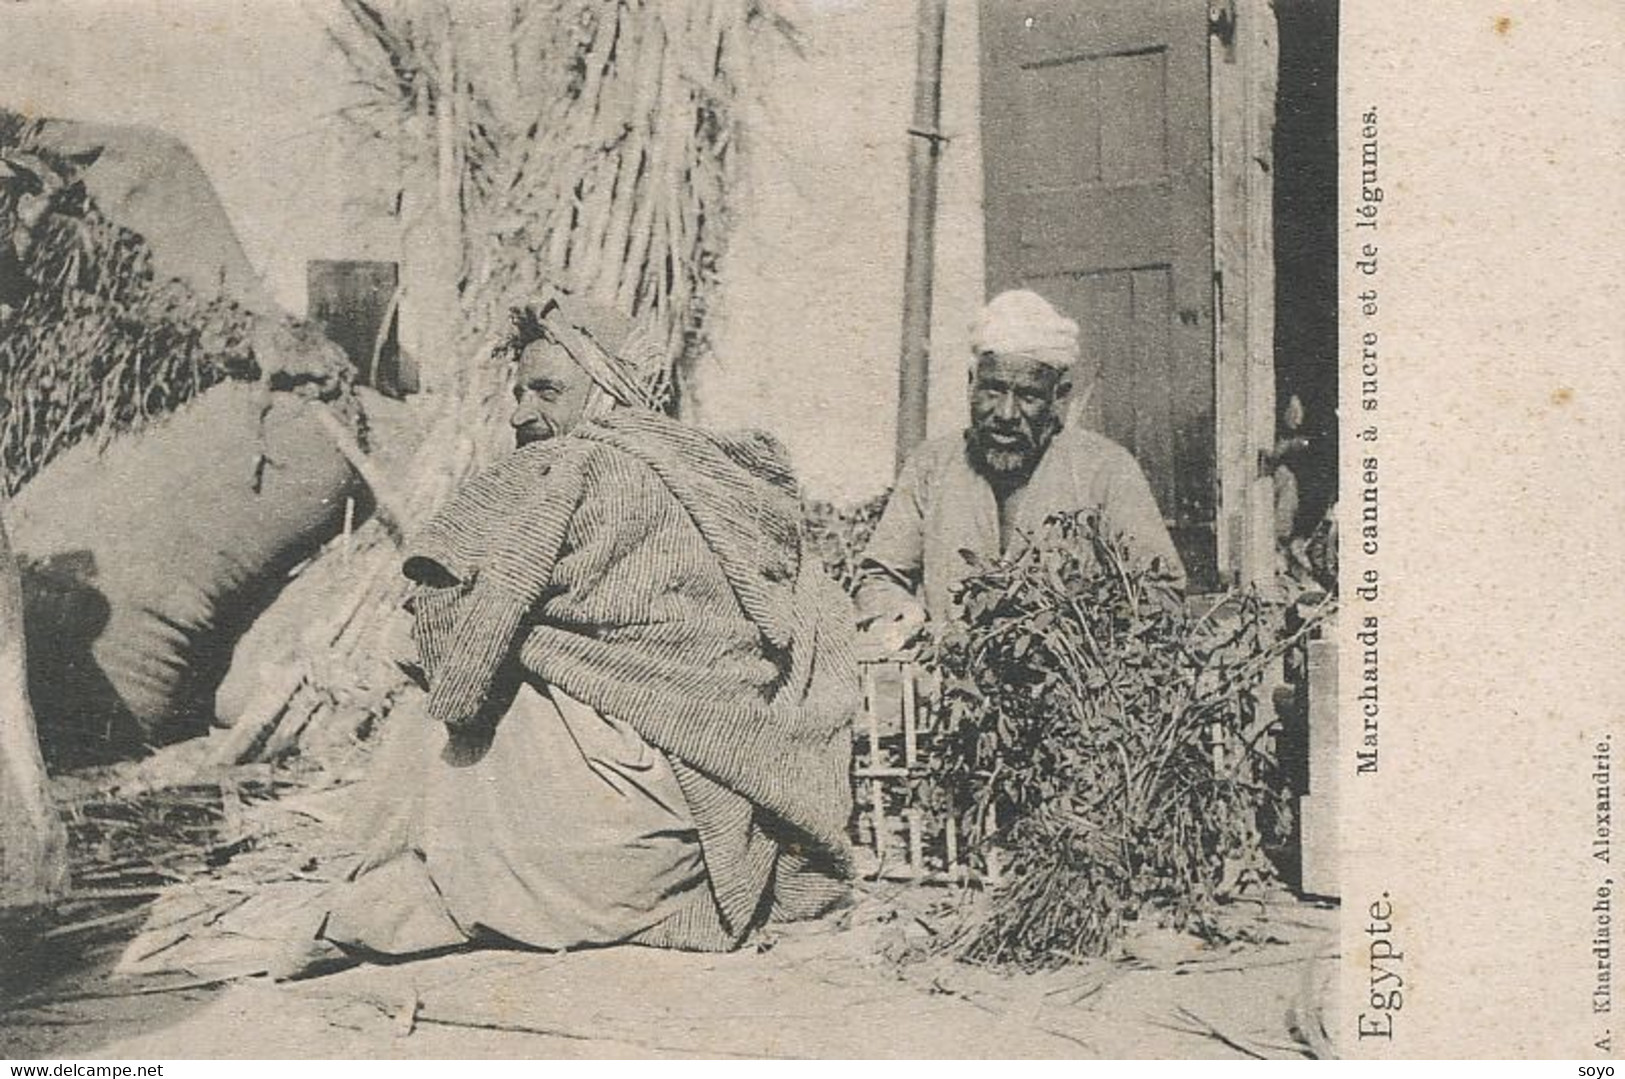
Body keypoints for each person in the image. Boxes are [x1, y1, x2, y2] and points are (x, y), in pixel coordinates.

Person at [298, 291, 856, 970]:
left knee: (433, 707)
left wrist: (427, 637)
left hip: (602, 826)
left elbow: (458, 674)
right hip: (698, 831)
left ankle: (400, 897)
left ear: (605, 391)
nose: (521, 411)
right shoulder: (711, 479)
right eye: (519, 392)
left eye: (546, 390)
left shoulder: (574, 465)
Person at [856, 289, 1185, 650]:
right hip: (949, 691)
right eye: (993, 390)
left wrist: (1078, 637)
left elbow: (1161, 597)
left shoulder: (1106, 472)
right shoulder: (930, 468)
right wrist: (899, 612)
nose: (1007, 415)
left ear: (1059, 396)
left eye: (1028, 395)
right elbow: (878, 577)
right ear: (971, 383)